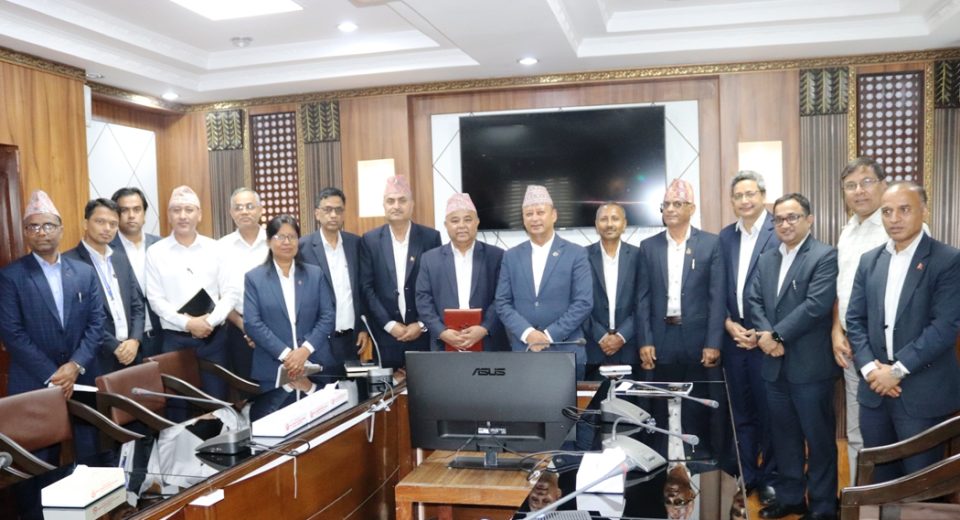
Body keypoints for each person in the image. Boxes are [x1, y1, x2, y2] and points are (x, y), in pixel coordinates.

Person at [846, 182, 960, 483]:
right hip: (875, 393)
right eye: (887, 212)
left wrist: (896, 371)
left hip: (922, 393)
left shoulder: (948, 260)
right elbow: (854, 319)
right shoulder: (870, 260)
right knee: (880, 483)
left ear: (924, 211)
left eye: (904, 210)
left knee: (921, 485)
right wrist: (871, 370)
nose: (894, 218)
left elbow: (944, 327)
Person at [748, 193, 838, 520]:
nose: (785, 224)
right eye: (779, 219)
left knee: (819, 441)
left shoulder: (825, 255)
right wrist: (767, 338)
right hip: (775, 367)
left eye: (793, 217)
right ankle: (791, 499)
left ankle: (824, 507)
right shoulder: (766, 258)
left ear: (809, 219)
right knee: (784, 439)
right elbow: (754, 301)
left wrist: (776, 336)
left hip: (811, 367)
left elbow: (816, 306)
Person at [0, 191, 106, 462]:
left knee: (90, 449)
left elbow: (97, 323)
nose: (42, 232)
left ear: (61, 229)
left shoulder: (84, 272)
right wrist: (54, 376)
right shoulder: (10, 276)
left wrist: (75, 366)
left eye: (48, 225)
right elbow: (12, 333)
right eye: (33, 226)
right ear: (25, 232)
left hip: (81, 376)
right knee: (39, 460)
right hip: (34, 380)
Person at [636, 178, 725, 459]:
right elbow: (642, 298)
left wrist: (713, 342)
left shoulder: (711, 244)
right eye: (666, 205)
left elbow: (717, 297)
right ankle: (661, 461)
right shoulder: (648, 246)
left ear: (691, 208)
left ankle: (696, 461)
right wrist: (645, 340)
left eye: (678, 204)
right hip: (660, 338)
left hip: (697, 340)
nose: (671, 209)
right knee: (658, 404)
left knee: (696, 405)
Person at [717, 171, 779, 503]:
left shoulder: (778, 230)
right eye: (739, 195)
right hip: (734, 336)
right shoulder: (725, 237)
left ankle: (771, 477)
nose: (745, 200)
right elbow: (718, 288)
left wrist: (764, 331)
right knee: (740, 411)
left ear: (763, 196)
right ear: (732, 201)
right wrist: (727, 323)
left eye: (750, 194)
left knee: (769, 411)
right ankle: (748, 473)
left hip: (767, 337)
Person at [830, 157, 889, 486]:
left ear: (883, 185)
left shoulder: (897, 225)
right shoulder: (848, 231)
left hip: (888, 352)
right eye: (850, 186)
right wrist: (836, 330)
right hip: (851, 346)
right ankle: (859, 499)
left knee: (890, 434)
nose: (859, 191)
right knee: (856, 430)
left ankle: (888, 502)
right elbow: (843, 288)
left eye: (866, 182)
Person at [495, 185, 592, 379]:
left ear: (554, 215)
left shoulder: (576, 253)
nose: (535, 218)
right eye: (529, 214)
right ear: (523, 219)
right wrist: (528, 333)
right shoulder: (511, 256)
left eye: (540, 212)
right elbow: (502, 302)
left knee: (567, 401)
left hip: (565, 350)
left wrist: (548, 335)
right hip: (524, 350)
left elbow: (583, 303)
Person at [145, 186, 233, 398]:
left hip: (213, 339)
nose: (182, 216)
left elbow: (230, 293)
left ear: (199, 214)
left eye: (189, 209)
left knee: (217, 402)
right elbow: (155, 299)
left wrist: (209, 322)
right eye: (176, 210)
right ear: (169, 216)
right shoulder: (155, 252)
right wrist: (188, 323)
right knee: (178, 404)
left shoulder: (216, 248)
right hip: (175, 340)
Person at [243, 215, 336, 397]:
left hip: (315, 363)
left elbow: (327, 316)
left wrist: (305, 350)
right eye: (280, 236)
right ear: (269, 241)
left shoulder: (315, 274)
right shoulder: (254, 278)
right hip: (273, 367)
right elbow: (252, 323)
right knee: (278, 414)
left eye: (292, 237)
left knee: (321, 414)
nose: (287, 242)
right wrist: (287, 355)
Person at [360, 175, 441, 368]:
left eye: (402, 200)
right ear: (384, 205)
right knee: (389, 387)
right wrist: (389, 325)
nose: (396, 206)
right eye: (391, 201)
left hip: (422, 335)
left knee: (426, 385)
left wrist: (421, 324)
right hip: (386, 335)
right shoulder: (370, 240)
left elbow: (437, 287)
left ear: (412, 205)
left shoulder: (430, 238)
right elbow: (366, 288)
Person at [415, 193, 506, 351]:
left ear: (477, 222)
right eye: (455, 220)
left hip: (487, 344)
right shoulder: (429, 259)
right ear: (446, 225)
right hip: (444, 344)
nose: (462, 225)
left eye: (468, 219)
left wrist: (484, 328)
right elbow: (423, 299)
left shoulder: (496, 256)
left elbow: (502, 297)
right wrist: (441, 331)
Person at [63, 198, 145, 373]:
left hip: (131, 353)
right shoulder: (68, 263)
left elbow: (137, 304)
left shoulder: (120, 258)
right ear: (85, 224)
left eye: (113, 224)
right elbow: (78, 317)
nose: (107, 228)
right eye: (100, 222)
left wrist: (135, 340)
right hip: (96, 357)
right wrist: (114, 346)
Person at [299, 187, 371, 372]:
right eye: (327, 209)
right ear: (317, 213)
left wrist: (363, 328)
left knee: (353, 388)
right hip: (318, 340)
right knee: (324, 387)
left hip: (352, 339)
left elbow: (362, 289)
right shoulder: (303, 248)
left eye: (338, 210)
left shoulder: (355, 243)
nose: (333, 215)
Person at [584, 202, 640, 378]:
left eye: (615, 219)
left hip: (630, 345)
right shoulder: (581, 257)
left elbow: (644, 302)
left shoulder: (639, 256)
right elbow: (578, 302)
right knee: (594, 395)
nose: (609, 224)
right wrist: (601, 336)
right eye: (604, 219)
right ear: (596, 224)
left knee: (629, 395)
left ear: (624, 224)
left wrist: (622, 336)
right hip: (593, 347)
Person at [217, 187, 268, 380]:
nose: (244, 211)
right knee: (246, 387)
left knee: (281, 386)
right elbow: (220, 294)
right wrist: (243, 325)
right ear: (231, 213)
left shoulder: (275, 242)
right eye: (238, 208)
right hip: (238, 329)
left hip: (276, 327)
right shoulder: (221, 247)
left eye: (249, 206)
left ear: (260, 210)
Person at [110, 187, 163, 357]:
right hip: (126, 344)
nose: (131, 215)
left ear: (144, 214)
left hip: (164, 336)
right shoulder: (106, 251)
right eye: (124, 210)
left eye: (137, 209)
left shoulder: (161, 246)